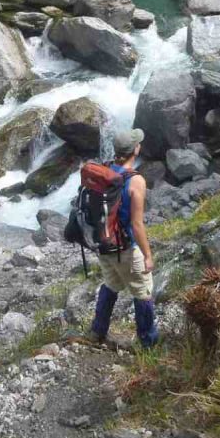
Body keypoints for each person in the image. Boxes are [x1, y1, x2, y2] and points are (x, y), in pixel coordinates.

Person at [90, 128, 159, 348]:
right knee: (143, 291)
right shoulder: (136, 181)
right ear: (135, 150)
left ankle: (97, 331)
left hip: (103, 242)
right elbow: (137, 225)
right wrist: (148, 255)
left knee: (111, 284)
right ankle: (148, 343)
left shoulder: (105, 170)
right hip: (125, 247)